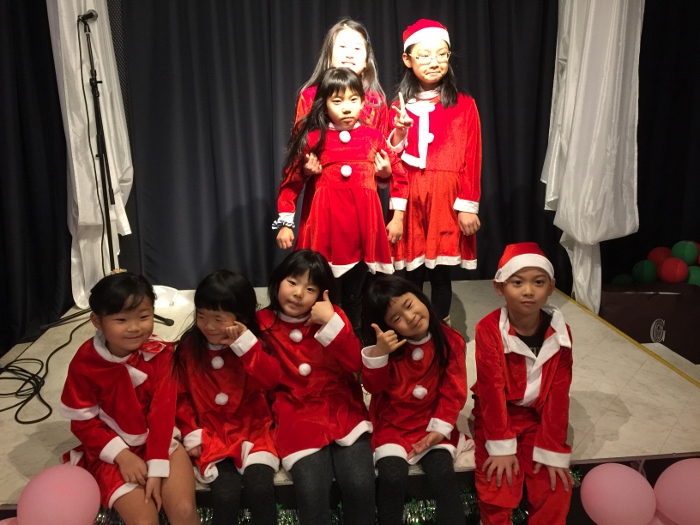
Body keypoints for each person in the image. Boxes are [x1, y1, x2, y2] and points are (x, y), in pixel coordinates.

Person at [224, 250, 376, 525]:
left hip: (343, 410)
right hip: (296, 415)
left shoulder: (333, 315)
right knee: (311, 493)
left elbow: (355, 362)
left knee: (360, 486)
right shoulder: (264, 323)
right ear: (278, 281)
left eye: (310, 289)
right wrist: (247, 345)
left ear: (322, 294)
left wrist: (331, 322)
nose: (298, 294)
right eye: (292, 282)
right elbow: (266, 380)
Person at [274, 67, 408, 333]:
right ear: (324, 104)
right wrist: (285, 224)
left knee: (355, 295)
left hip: (362, 233)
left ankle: (353, 342)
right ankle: (322, 344)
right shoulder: (314, 138)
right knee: (325, 295)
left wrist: (398, 218)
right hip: (325, 233)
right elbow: (290, 182)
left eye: (353, 99)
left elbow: (399, 175)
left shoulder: (373, 137)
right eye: (337, 101)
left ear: (362, 101)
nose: (347, 107)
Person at [59, 272, 200, 525]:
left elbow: (163, 413)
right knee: (143, 520)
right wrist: (122, 455)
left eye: (144, 317)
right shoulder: (85, 363)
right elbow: (82, 421)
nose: (134, 328)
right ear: (97, 321)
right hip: (111, 450)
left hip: (160, 439)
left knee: (184, 509)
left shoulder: (160, 354)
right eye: (121, 320)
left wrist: (157, 467)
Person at [389, 19, 483, 324]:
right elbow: (391, 161)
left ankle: (441, 331)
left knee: (441, 274)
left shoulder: (464, 104)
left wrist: (467, 205)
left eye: (442, 54)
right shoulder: (398, 107)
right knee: (412, 273)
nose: (434, 62)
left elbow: (473, 158)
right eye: (425, 55)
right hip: (410, 198)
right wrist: (400, 131)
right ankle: (414, 331)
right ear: (408, 59)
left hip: (446, 199)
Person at [473, 242, 573, 524]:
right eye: (517, 282)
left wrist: (552, 447)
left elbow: (559, 392)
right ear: (499, 287)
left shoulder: (561, 333)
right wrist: (501, 446)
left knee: (554, 486)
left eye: (538, 282)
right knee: (498, 483)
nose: (528, 291)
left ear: (551, 287)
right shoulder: (488, 329)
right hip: (498, 415)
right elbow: (491, 390)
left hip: (537, 417)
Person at [173, 270, 278, 525]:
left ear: (241, 318)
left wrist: (247, 346)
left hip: (253, 429)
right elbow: (180, 396)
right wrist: (190, 431)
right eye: (201, 316)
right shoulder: (189, 347)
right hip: (211, 433)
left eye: (218, 319)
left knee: (261, 487)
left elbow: (271, 379)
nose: (208, 326)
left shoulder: (255, 344)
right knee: (225, 494)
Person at [361, 275, 468, 524]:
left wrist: (439, 430)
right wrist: (379, 354)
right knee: (391, 477)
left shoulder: (450, 340)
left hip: (432, 421)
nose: (409, 318)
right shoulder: (389, 349)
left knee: (443, 475)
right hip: (392, 425)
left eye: (409, 305)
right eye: (396, 318)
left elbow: (454, 391)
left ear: (420, 296)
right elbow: (373, 387)